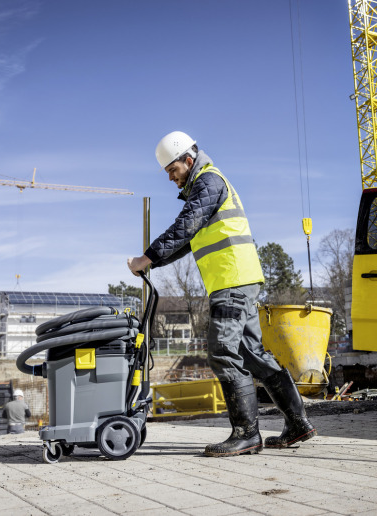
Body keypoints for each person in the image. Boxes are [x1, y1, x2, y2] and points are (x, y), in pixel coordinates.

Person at [127, 131, 316, 457]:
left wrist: (146, 256)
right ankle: (297, 424)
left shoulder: (209, 182)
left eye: (172, 170)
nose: (171, 178)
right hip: (237, 280)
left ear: (188, 160)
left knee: (222, 350)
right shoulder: (203, 187)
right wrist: (153, 262)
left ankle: (246, 434)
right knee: (252, 354)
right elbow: (187, 240)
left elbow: (185, 226)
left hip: (232, 281)